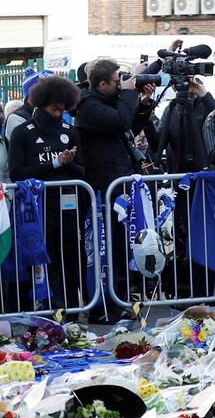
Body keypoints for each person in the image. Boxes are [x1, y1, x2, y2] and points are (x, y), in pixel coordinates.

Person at [8, 76, 91, 305]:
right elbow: (17, 173)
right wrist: (54, 163)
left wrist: (68, 162)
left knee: (70, 255)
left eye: (61, 109)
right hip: (36, 207)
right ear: (42, 103)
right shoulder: (23, 132)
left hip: (67, 206)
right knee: (43, 258)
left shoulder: (70, 131)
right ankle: (45, 307)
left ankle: (72, 306)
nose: (57, 114)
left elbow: (81, 171)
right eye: (54, 109)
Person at [74, 57, 158, 193]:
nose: (119, 84)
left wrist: (143, 102)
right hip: (104, 177)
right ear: (102, 84)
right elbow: (121, 122)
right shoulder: (88, 105)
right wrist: (128, 92)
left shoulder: (108, 99)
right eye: (115, 81)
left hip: (120, 171)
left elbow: (130, 129)